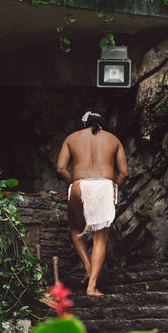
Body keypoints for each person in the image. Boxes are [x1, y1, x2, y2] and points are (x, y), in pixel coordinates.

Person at [55, 110, 129, 296]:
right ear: (101, 124)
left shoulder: (72, 138)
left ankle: (88, 267)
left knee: (76, 230)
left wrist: (73, 183)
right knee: (100, 238)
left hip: (79, 185)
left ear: (83, 124)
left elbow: (61, 168)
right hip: (104, 186)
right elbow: (124, 173)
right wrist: (115, 188)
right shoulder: (114, 139)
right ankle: (92, 286)